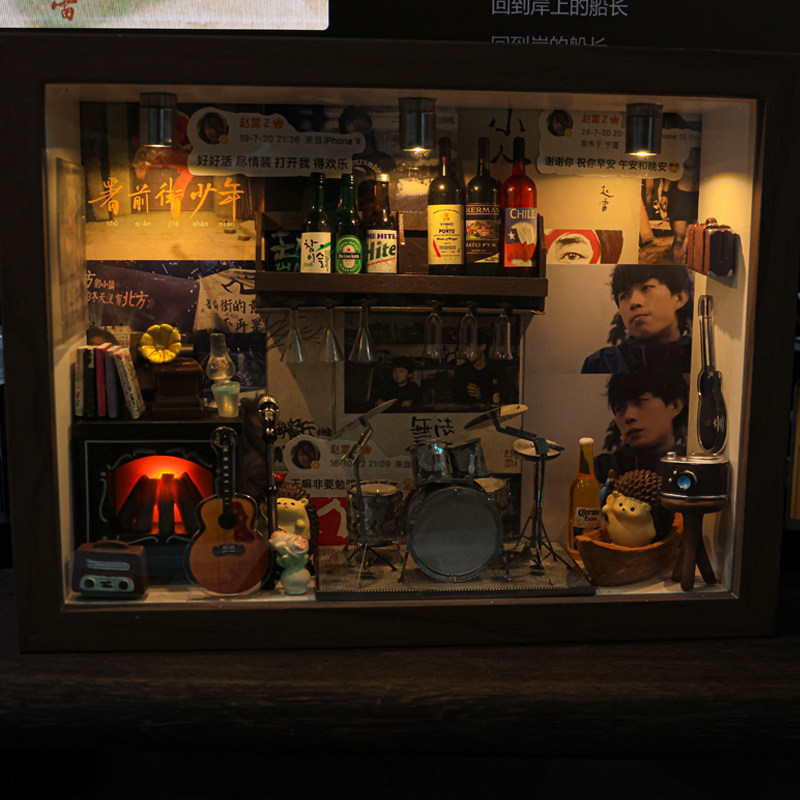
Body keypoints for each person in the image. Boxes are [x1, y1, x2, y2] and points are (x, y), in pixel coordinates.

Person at [581, 263, 693, 374]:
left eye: (646, 288)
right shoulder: (602, 363)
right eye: (624, 296)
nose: (633, 302)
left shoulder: (698, 356)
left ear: (679, 298)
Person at [595, 373, 689, 484]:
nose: (628, 416)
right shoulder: (604, 469)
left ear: (675, 405)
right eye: (619, 408)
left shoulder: (692, 465)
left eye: (640, 401)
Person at [453, 331, 512, 408]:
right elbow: (456, 399)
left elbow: (505, 396)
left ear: (483, 347)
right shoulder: (462, 371)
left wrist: (481, 395)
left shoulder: (496, 369)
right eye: (465, 348)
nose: (467, 352)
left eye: (470, 348)